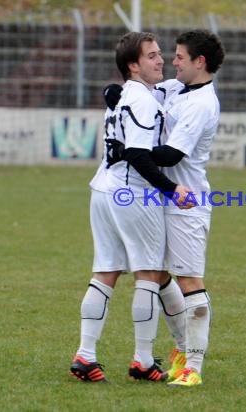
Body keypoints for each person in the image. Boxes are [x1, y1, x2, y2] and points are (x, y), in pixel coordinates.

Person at [69, 31, 193, 383]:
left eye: (159, 53)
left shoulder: (124, 94)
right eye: (152, 56)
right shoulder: (142, 101)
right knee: (150, 274)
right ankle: (142, 360)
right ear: (133, 66)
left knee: (105, 272)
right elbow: (137, 154)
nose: (161, 60)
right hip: (131, 193)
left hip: (103, 189)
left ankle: (85, 355)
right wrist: (171, 189)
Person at [153, 29, 225, 388]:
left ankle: (193, 367)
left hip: (187, 202)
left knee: (189, 282)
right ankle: (181, 350)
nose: (173, 61)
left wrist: (130, 153)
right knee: (156, 274)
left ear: (200, 62)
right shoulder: (175, 88)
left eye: (180, 56)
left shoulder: (202, 104)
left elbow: (171, 154)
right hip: (159, 198)